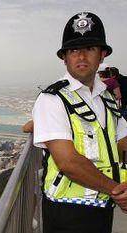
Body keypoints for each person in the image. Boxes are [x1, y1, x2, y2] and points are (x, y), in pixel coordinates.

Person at [32, 12, 127, 233]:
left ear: (102, 55)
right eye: (74, 50)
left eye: (90, 48)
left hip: (103, 206)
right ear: (64, 57)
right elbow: (68, 162)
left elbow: (123, 142)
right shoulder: (52, 99)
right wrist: (118, 192)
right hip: (67, 212)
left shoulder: (106, 98)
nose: (81, 56)